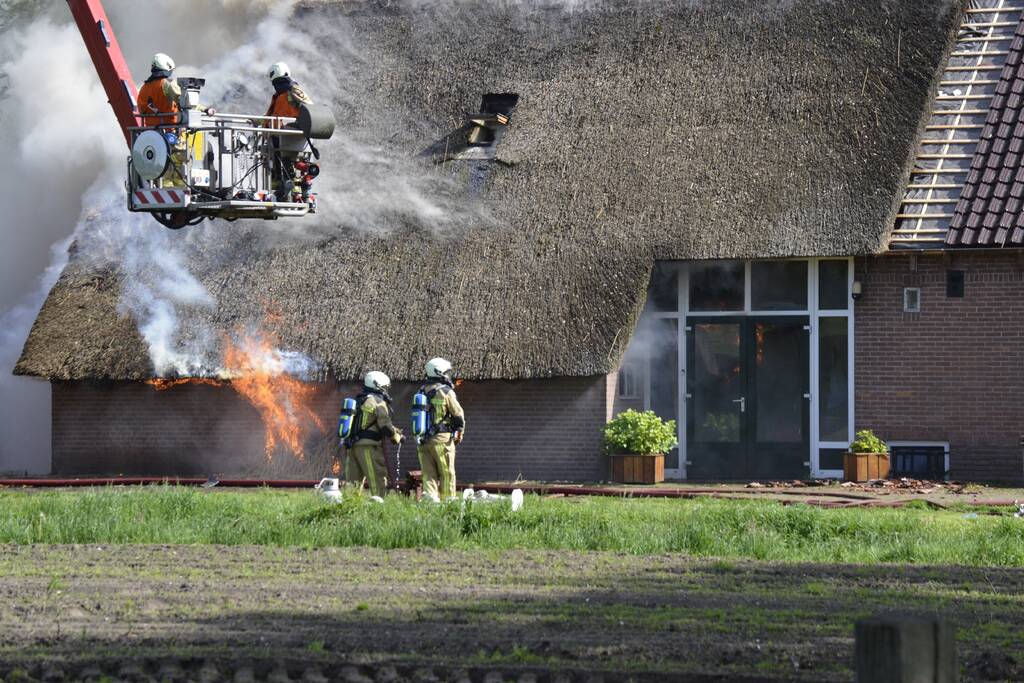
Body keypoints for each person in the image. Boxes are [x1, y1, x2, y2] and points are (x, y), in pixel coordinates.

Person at [344, 371, 403, 497]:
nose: (386, 390)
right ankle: (379, 505)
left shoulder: (359, 400)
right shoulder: (377, 401)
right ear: (377, 385)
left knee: (353, 483)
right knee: (377, 479)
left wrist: (395, 430)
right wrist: (397, 437)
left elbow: (368, 422)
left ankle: (350, 505)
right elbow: (385, 426)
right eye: (384, 387)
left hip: (352, 446)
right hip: (368, 448)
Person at [415, 358, 465, 502]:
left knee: (428, 475)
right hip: (442, 441)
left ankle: (431, 502)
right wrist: (459, 434)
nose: (448, 375)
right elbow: (458, 416)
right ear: (440, 372)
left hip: (423, 441)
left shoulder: (420, 391)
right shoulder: (445, 392)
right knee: (447, 473)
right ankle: (448, 503)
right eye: (447, 372)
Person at [263, 62, 314, 201]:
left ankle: (285, 182)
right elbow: (270, 116)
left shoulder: (293, 90)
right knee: (270, 149)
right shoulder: (279, 95)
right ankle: (279, 180)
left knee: (276, 151)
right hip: (281, 134)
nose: (275, 85)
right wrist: (258, 123)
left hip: (292, 134)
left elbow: (310, 108)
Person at [137, 53, 181, 127]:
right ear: (167, 68)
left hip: (150, 130)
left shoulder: (144, 87)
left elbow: (141, 110)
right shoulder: (168, 83)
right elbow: (183, 101)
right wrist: (200, 108)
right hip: (170, 128)